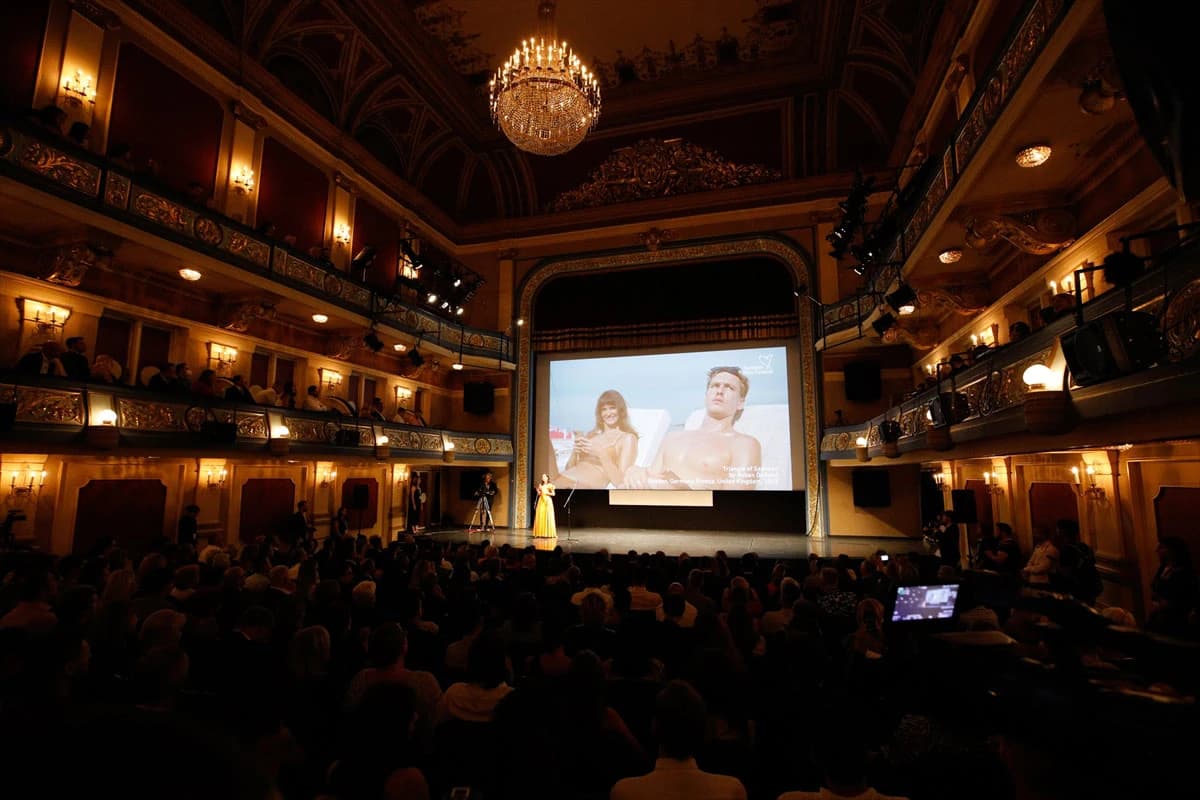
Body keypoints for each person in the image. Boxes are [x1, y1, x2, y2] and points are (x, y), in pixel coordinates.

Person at [625, 366, 763, 491]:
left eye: (729, 388)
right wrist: (636, 472)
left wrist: (684, 490)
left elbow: (735, 503)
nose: (720, 391)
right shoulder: (672, 437)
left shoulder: (744, 444)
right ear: (706, 395)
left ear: (740, 403)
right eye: (715, 386)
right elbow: (652, 476)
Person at [555, 389, 640, 489]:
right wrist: (574, 452)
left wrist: (601, 454)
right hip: (564, 479)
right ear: (600, 413)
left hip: (580, 486)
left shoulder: (627, 438)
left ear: (621, 410)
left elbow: (620, 482)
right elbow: (569, 468)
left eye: (612, 408)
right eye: (604, 409)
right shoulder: (591, 436)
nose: (608, 413)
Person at [532, 473, 557, 539]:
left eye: (544, 476)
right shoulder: (541, 485)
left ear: (547, 478)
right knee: (541, 516)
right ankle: (540, 533)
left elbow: (553, 494)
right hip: (541, 501)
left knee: (547, 516)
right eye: (542, 477)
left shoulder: (550, 485)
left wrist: (546, 492)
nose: (543, 478)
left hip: (547, 501)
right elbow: (540, 494)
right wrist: (538, 491)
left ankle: (548, 533)